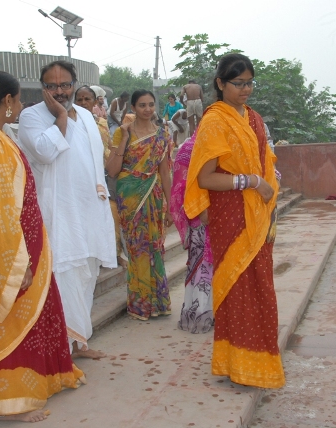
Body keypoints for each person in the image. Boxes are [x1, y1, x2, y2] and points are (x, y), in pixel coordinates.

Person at [0, 70, 85, 422]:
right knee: (9, 321)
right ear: (7, 100)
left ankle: (42, 379)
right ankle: (11, 401)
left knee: (34, 317)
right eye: (19, 98)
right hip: (10, 250)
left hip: (26, 240)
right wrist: (16, 260)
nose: (22, 104)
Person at [183, 53, 285, 388]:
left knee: (260, 288)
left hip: (257, 213)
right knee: (237, 288)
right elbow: (205, 178)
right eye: (238, 83)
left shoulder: (253, 118)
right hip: (231, 214)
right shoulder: (215, 121)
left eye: (249, 83)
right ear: (220, 83)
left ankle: (257, 362)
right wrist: (251, 181)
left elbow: (266, 164)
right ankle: (237, 364)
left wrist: (268, 206)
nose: (245, 89)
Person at [18, 60, 117, 358]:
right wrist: (60, 117)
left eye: (64, 85)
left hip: (89, 208)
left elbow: (95, 159)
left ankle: (79, 342)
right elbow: (45, 152)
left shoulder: (86, 115)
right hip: (59, 212)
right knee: (63, 278)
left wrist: (101, 197)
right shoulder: (31, 116)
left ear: (74, 84)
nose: (59, 91)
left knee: (86, 275)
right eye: (51, 86)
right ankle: (61, 350)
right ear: (42, 87)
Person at [106, 89, 173, 321]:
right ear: (133, 108)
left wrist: (171, 205)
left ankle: (158, 302)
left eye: (151, 104)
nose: (147, 109)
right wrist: (124, 139)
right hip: (130, 195)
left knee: (154, 246)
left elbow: (165, 172)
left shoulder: (162, 134)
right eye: (142, 105)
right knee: (136, 248)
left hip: (153, 193)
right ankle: (141, 304)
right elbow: (112, 170)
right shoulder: (122, 132)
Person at [75, 85, 126, 268]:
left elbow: (109, 147)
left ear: (94, 101)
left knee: (110, 214)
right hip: (81, 178)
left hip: (103, 176)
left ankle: (113, 254)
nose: (83, 103)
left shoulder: (102, 123)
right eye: (79, 99)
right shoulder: (70, 123)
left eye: (87, 99)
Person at [171, 131, 214, 333]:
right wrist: (200, 207)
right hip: (199, 216)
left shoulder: (222, 145)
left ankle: (215, 313)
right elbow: (180, 185)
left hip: (221, 214)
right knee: (201, 266)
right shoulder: (188, 149)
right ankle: (199, 313)